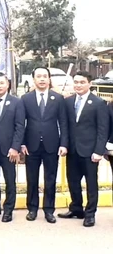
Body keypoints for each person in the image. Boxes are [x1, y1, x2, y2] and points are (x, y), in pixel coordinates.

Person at [58, 71, 109, 227]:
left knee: (91, 184)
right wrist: (64, 144)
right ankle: (76, 209)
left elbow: (103, 129)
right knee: (73, 182)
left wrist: (99, 151)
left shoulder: (99, 103)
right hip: (72, 150)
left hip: (90, 152)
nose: (78, 85)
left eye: (82, 82)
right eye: (76, 82)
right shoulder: (68, 102)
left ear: (90, 84)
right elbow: (65, 126)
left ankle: (90, 214)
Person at [21, 67, 68, 224]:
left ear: (49, 79)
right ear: (33, 79)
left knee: (50, 179)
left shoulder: (58, 98)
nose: (42, 79)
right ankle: (32, 209)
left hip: (52, 145)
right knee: (32, 179)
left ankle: (49, 210)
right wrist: (21, 143)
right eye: (38, 76)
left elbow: (63, 123)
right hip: (31, 145)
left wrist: (63, 143)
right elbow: (21, 123)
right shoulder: (25, 98)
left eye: (44, 76)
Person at [0, 72, 25, 223]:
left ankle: (8, 210)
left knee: (9, 180)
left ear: (7, 84)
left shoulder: (16, 102)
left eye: (1, 83)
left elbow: (20, 126)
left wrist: (15, 147)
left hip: (9, 149)